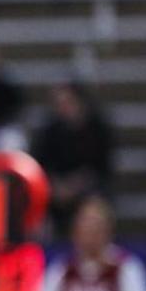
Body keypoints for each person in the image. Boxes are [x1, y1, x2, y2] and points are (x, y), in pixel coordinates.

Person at [31, 82, 116, 237]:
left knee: (95, 206)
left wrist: (78, 184)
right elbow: (40, 166)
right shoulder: (49, 132)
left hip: (89, 188)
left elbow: (102, 167)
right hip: (56, 191)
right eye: (58, 104)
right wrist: (56, 186)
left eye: (67, 102)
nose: (63, 108)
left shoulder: (98, 129)